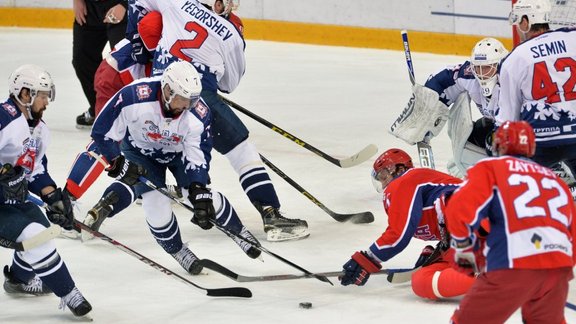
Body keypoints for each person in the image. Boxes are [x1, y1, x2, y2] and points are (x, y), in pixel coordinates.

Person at [127, 0, 309, 242]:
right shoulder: (231, 34)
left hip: (157, 95)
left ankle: (153, 190)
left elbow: (136, 3)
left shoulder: (175, 2)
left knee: (155, 144)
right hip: (200, 98)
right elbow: (229, 84)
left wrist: (137, 40)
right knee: (241, 151)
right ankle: (271, 214)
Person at [84, 60, 262, 275]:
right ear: (167, 90)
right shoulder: (134, 96)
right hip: (141, 152)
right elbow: (101, 132)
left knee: (203, 198)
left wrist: (198, 187)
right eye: (183, 98)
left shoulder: (198, 113)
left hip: (179, 155)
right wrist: (117, 161)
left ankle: (238, 231)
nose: (188, 105)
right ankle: (178, 251)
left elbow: (198, 152)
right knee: (155, 203)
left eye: (192, 99)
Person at [445, 121, 575, 323]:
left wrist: (464, 250)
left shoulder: (490, 167)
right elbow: (572, 233)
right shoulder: (557, 181)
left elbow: (459, 209)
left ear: (497, 144)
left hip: (513, 264)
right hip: (558, 268)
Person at [0, 65, 91, 316]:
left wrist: (53, 196)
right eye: (42, 95)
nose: (46, 102)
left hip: (12, 200)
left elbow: (35, 170)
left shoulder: (39, 130)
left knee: (40, 234)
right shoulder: (4, 117)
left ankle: (19, 279)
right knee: (35, 235)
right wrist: (5, 176)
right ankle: (70, 293)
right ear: (25, 94)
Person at [339, 148, 478, 300]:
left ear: (399, 169)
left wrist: (367, 259)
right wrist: (438, 254)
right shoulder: (416, 185)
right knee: (422, 281)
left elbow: (399, 234)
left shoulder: (405, 180)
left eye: (384, 176)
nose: (384, 184)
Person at [390, 38, 509, 177]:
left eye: (487, 67)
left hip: (523, 132)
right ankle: (477, 172)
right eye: (478, 67)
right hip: (496, 125)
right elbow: (442, 78)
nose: (481, 73)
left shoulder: (512, 80)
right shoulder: (470, 76)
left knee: (496, 142)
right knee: (470, 138)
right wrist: (426, 103)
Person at [496, 0, 576, 188]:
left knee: (515, 187)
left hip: (540, 142)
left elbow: (507, 121)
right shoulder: (573, 38)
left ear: (526, 22)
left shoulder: (513, 59)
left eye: (518, 22)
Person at [73, 0, 128, 128]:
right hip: (90, 7)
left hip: (120, 6)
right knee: (82, 60)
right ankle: (99, 109)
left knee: (122, 64)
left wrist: (126, 5)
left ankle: (126, 112)